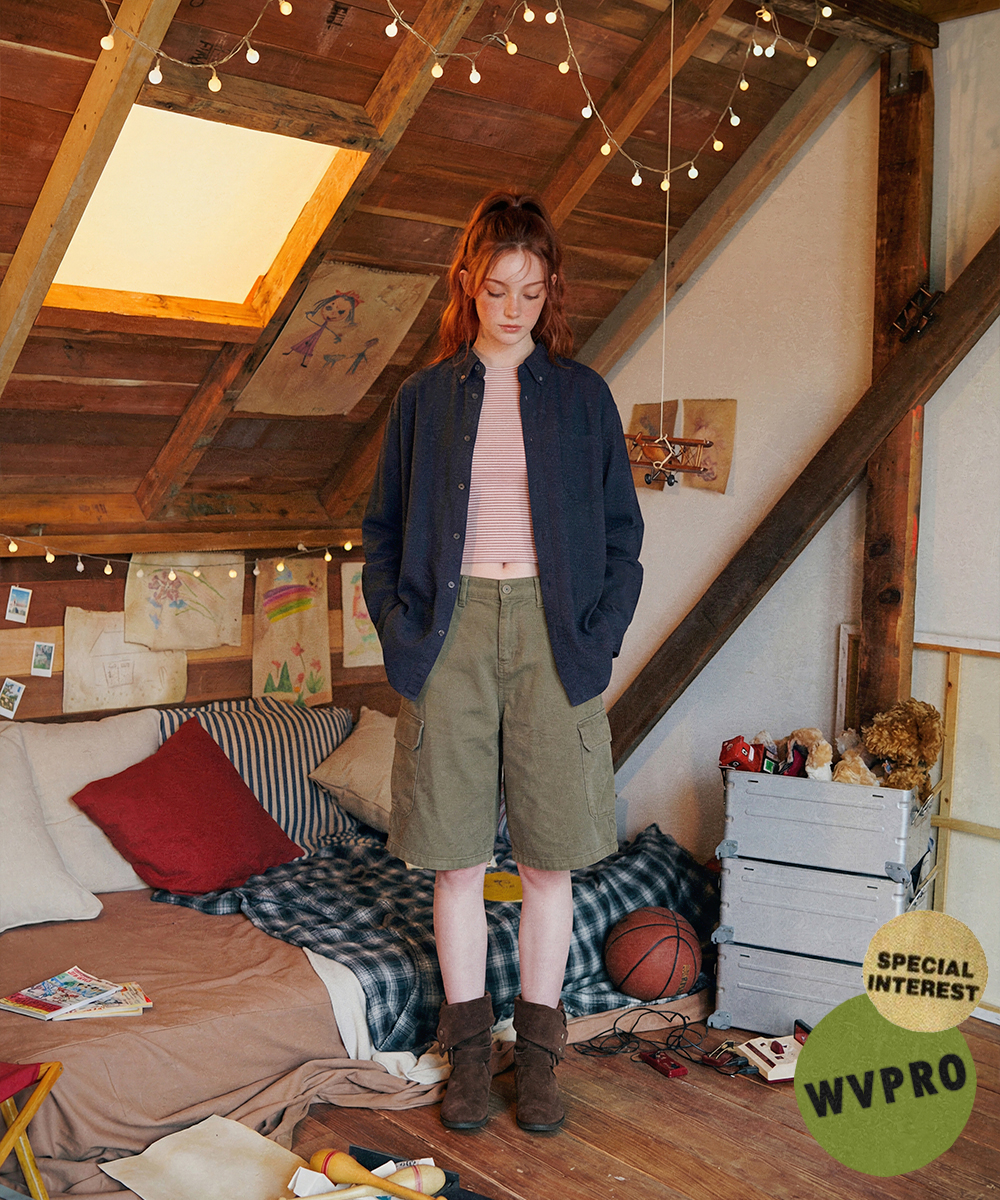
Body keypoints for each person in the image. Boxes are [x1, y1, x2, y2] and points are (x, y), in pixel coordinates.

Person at [361, 191, 643, 1133]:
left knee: (549, 862)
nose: (513, 308)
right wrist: (399, 628)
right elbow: (381, 531)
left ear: (550, 288)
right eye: (496, 289)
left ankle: (543, 1060)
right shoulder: (423, 399)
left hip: (556, 638)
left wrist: (598, 637)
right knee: (454, 863)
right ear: (468, 286)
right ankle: (471, 1057)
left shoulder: (583, 397)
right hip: (448, 636)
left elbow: (622, 537)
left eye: (531, 290)